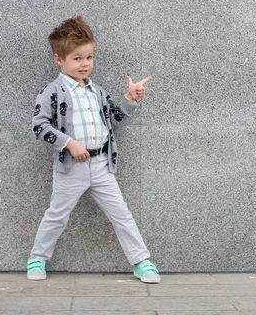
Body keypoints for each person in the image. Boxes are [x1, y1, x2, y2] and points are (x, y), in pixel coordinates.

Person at [27, 15, 159, 284]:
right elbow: (39, 126)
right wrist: (69, 143)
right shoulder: (52, 92)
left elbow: (114, 121)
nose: (85, 64)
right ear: (59, 60)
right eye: (77, 58)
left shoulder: (97, 92)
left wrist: (130, 99)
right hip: (70, 168)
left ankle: (141, 261)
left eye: (88, 57)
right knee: (57, 215)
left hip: (101, 166)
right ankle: (37, 258)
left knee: (121, 214)